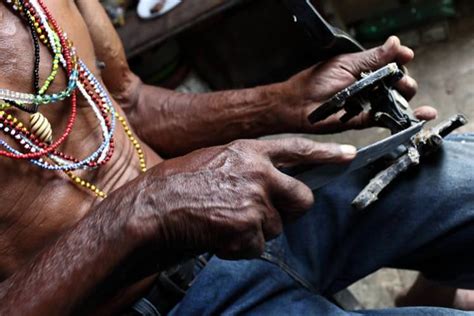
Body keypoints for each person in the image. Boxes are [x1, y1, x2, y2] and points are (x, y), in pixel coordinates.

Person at [0, 0, 472, 315]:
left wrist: (285, 101)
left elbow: (128, 103)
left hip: (237, 210)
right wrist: (142, 210)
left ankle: (434, 289)